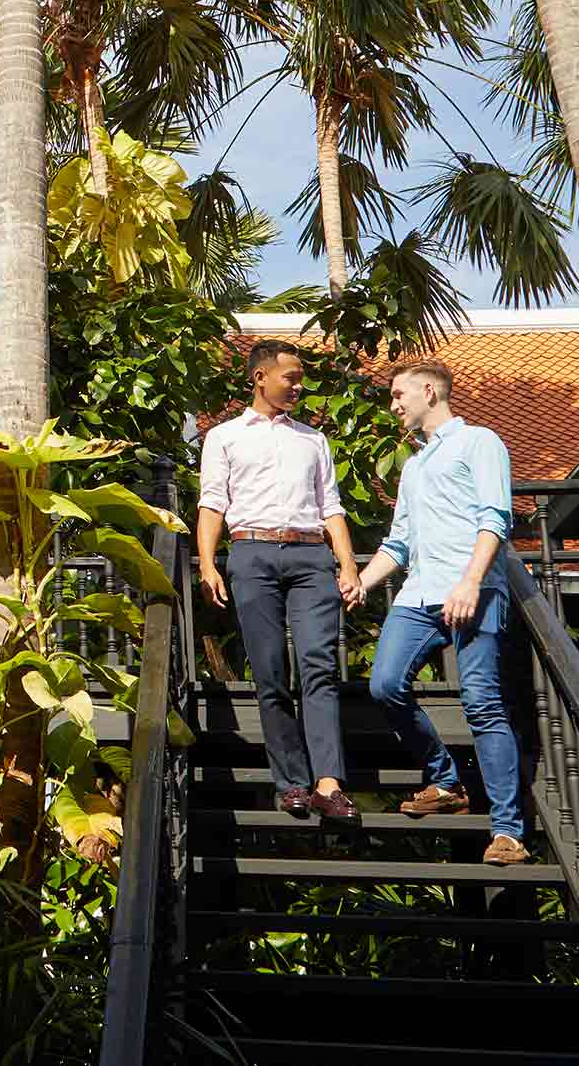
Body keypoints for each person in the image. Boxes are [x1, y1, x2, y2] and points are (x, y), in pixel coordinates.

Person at [353, 358, 531, 865]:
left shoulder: (481, 442)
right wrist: (359, 585)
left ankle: (508, 833)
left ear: (429, 392)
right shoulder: (414, 465)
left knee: (482, 703)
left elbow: (496, 518)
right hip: (419, 593)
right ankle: (445, 780)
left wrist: (471, 582)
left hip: (473, 590)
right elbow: (400, 543)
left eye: (397, 395)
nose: (393, 405)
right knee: (385, 684)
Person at [197, 340, 361, 824]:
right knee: (270, 673)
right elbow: (212, 504)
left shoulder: (313, 440)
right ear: (260, 377)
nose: (298, 386)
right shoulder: (224, 437)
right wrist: (208, 564)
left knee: (318, 664)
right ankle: (291, 783)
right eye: (291, 377)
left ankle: (329, 783)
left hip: (311, 555)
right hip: (251, 553)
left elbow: (331, 506)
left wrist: (347, 564)